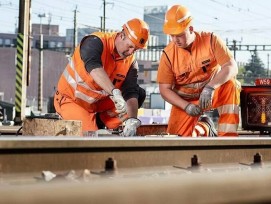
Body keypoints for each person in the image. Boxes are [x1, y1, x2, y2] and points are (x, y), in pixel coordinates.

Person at [54, 18, 150, 136]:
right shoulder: (95, 41)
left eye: (135, 50)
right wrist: (114, 92)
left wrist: (132, 120)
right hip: (72, 100)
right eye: (130, 46)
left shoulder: (130, 62)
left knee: (138, 94)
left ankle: (102, 121)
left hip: (97, 104)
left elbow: (131, 91)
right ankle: (94, 124)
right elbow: (94, 67)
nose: (131, 52)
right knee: (90, 139)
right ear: (122, 35)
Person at [157, 5, 241, 137]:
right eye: (171, 36)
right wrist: (186, 106)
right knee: (177, 140)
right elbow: (164, 89)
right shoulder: (168, 54)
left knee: (231, 85)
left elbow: (231, 66)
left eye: (179, 35)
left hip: (211, 94)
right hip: (185, 101)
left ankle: (227, 137)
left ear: (190, 28)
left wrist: (210, 88)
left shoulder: (211, 40)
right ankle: (205, 127)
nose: (175, 40)